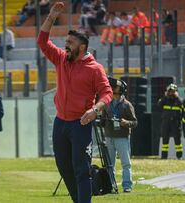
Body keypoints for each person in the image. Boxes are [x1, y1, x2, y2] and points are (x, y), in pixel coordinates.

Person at [37, 2, 113, 202]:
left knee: (81, 169)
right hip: (60, 123)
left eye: (70, 42)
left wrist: (95, 111)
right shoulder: (62, 58)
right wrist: (51, 18)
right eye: (66, 41)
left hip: (81, 124)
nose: (66, 45)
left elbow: (107, 93)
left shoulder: (95, 69)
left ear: (82, 47)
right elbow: (42, 42)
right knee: (64, 167)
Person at [101, 77, 137, 193]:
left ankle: (127, 186)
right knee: (109, 164)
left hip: (122, 137)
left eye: (114, 87)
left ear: (120, 89)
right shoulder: (106, 103)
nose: (112, 88)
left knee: (125, 163)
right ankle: (110, 185)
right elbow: (103, 119)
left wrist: (126, 123)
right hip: (109, 136)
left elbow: (135, 122)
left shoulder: (127, 105)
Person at [158, 83, 183, 159]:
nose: (171, 93)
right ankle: (164, 157)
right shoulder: (164, 99)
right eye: (170, 91)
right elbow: (159, 105)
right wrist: (165, 96)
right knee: (165, 141)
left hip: (175, 123)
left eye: (173, 91)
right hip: (166, 122)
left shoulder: (179, 101)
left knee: (177, 140)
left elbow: (183, 111)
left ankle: (179, 156)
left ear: (176, 92)